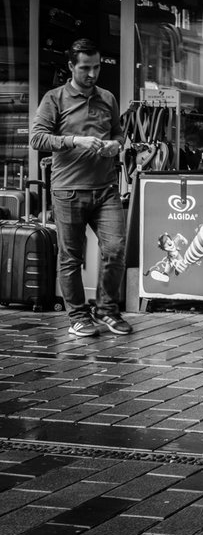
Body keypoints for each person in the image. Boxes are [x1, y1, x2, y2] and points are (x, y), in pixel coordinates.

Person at [29, 38, 132, 338]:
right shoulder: (54, 99)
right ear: (71, 67)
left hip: (105, 188)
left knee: (115, 249)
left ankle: (107, 310)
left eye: (96, 67)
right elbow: (37, 138)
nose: (92, 74)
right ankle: (77, 316)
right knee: (71, 257)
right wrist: (75, 140)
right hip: (68, 190)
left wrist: (115, 146)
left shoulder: (108, 98)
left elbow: (118, 134)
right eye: (85, 68)